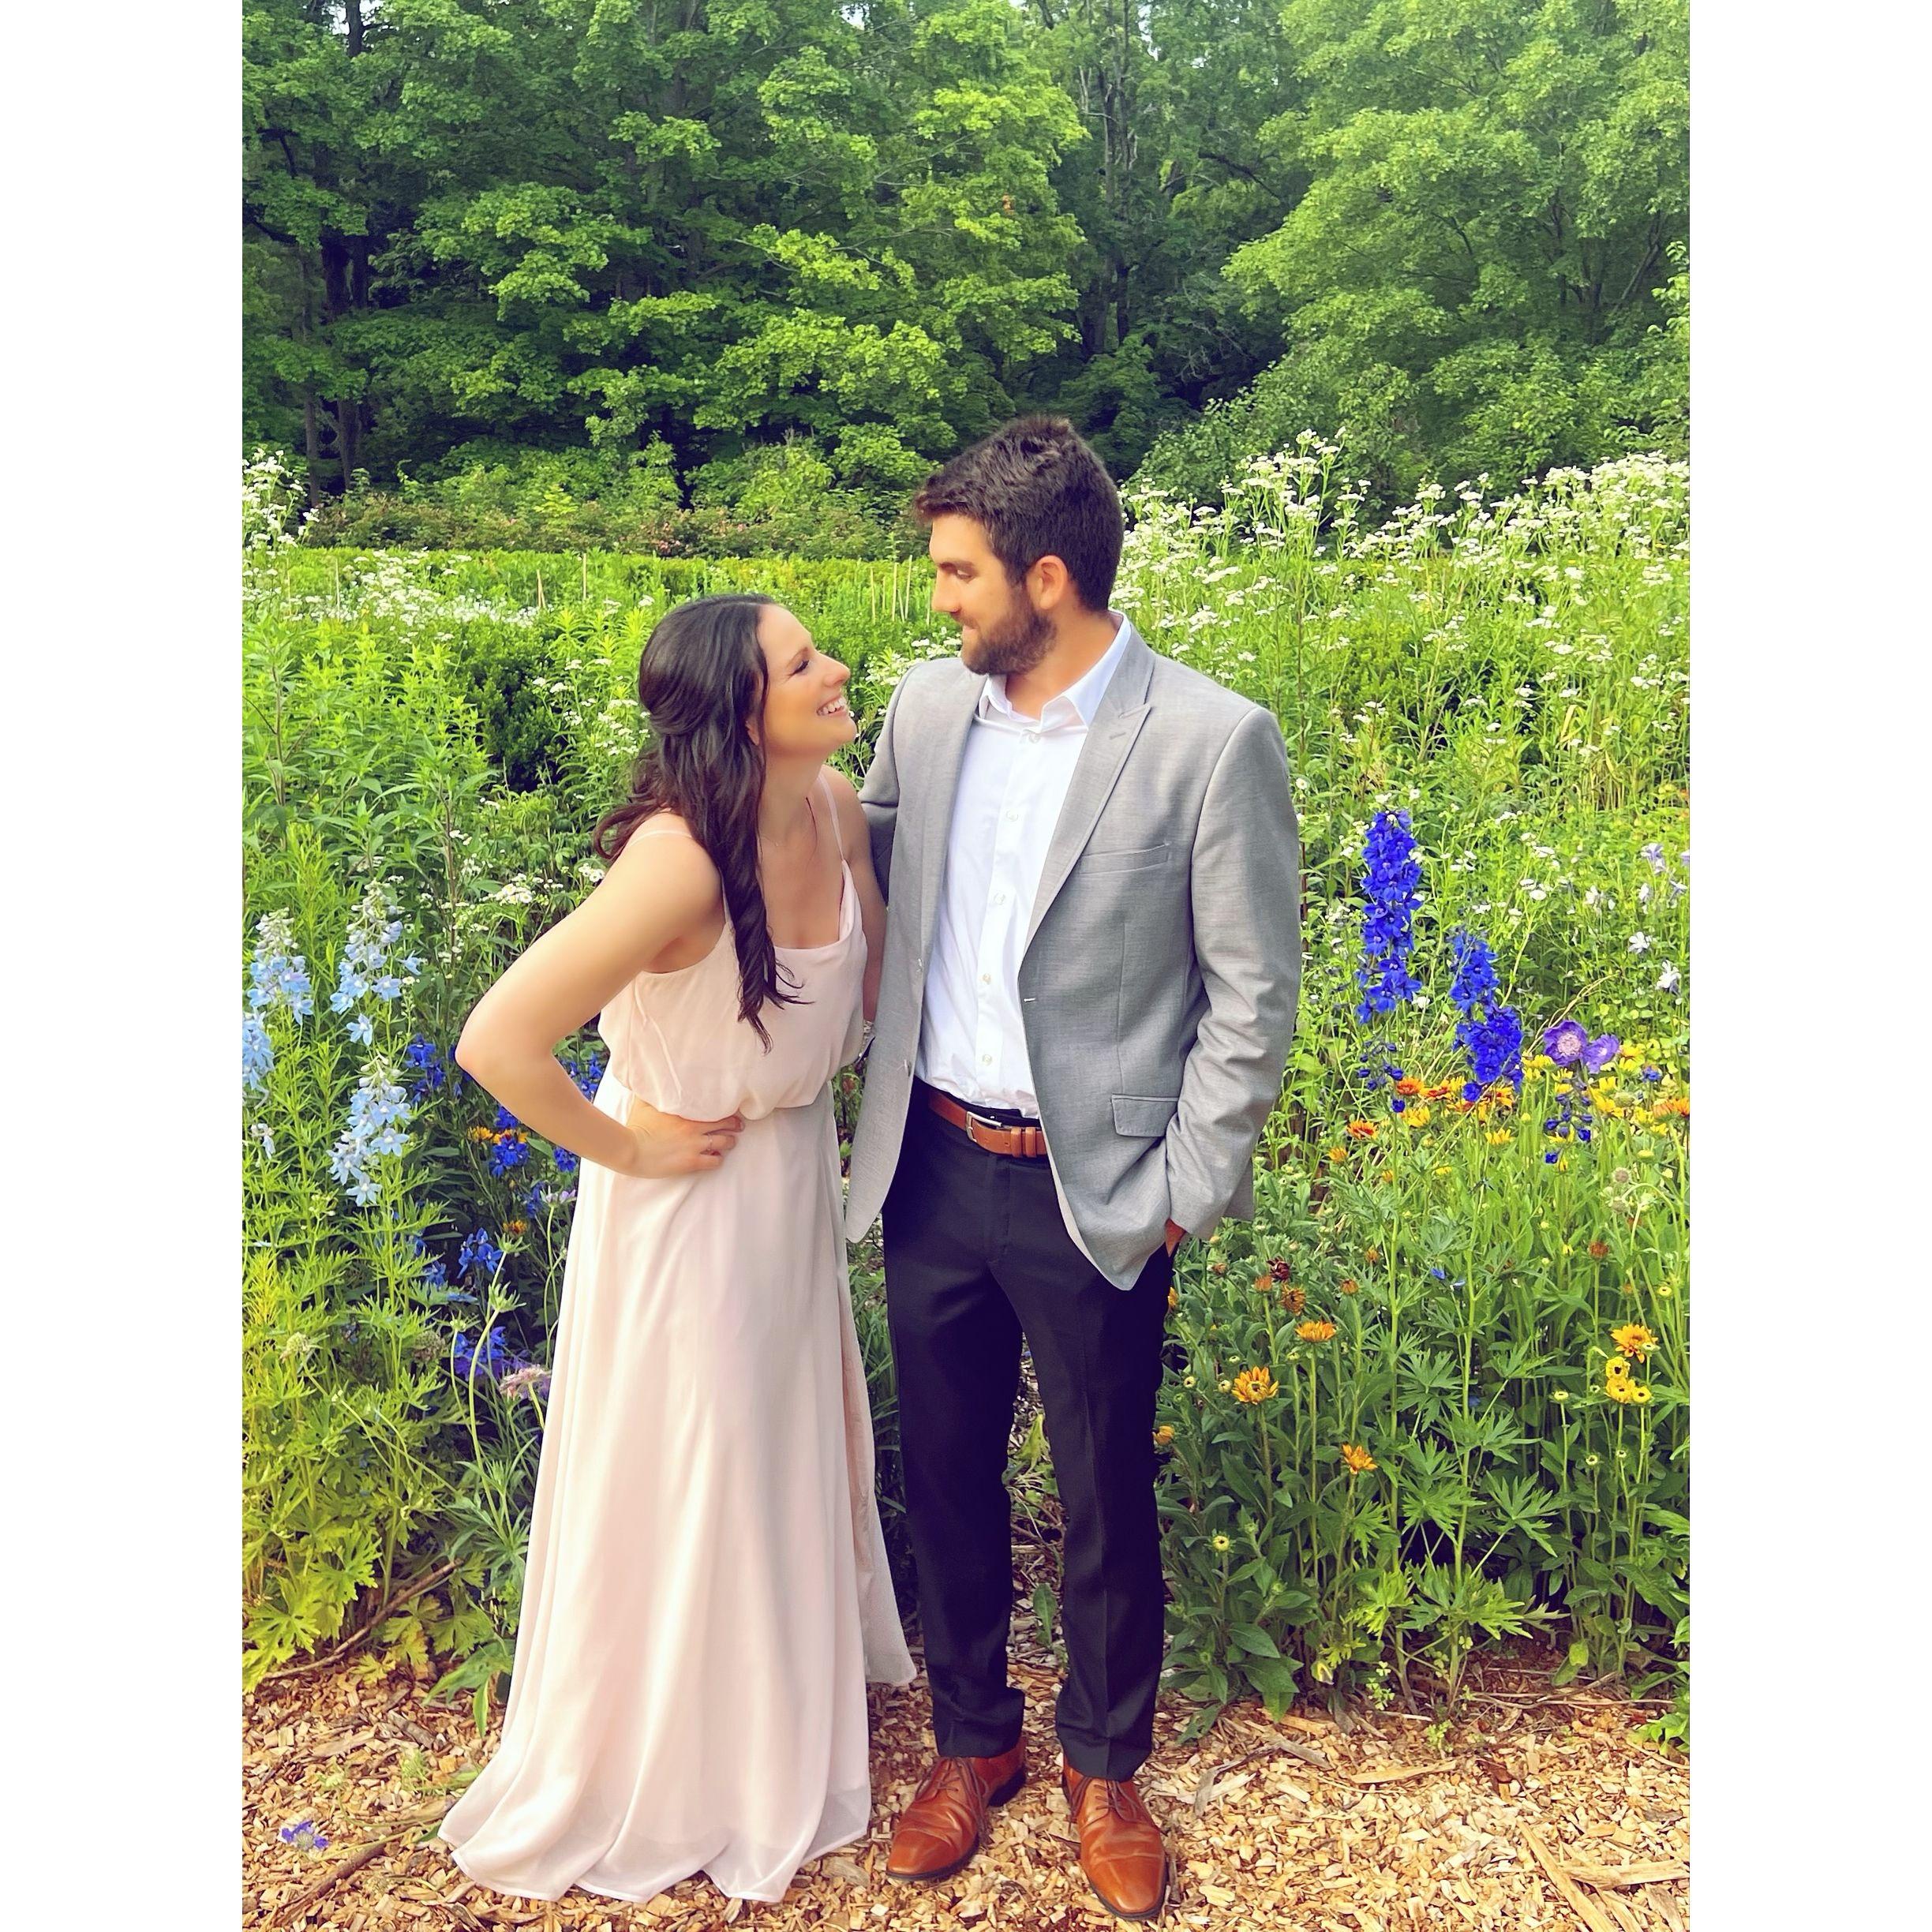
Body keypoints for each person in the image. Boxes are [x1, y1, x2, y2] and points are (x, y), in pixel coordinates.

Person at [844, 417, 1301, 1923]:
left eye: (958, 574)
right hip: (930, 1163)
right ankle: (973, 1743)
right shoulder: (927, 710)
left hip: (1093, 1190)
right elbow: (856, 870)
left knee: (1105, 1491)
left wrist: (1183, 1190)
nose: (938, 601)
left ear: (1046, 577)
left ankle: (1108, 1766)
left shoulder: (1209, 739)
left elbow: (1253, 996)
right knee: (946, 1476)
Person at [437, 592, 914, 1907]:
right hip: (685, 1210)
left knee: (768, 1454)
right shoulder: (680, 863)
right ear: (742, 715)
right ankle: (689, 1767)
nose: (837, 668)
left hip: (784, 1190)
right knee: (700, 1467)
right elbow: (497, 1040)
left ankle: (770, 1721)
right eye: (803, 663)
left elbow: (871, 987)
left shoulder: (826, 807)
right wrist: (627, 1148)